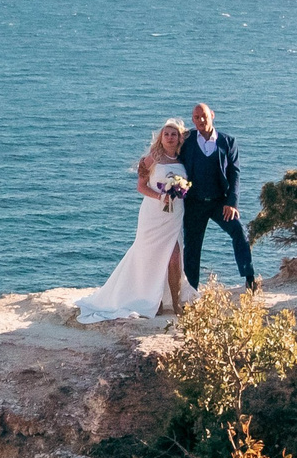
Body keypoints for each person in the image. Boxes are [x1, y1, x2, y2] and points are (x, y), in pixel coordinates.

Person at [75, 121, 194, 322]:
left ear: (179, 138)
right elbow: (141, 187)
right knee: (149, 257)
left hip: (174, 216)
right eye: (166, 134)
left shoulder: (183, 160)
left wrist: (180, 190)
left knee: (174, 257)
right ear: (161, 137)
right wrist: (160, 197)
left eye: (174, 134)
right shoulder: (151, 159)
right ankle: (150, 301)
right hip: (153, 214)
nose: (170, 137)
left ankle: (175, 302)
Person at [177, 101, 258, 290]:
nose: (201, 120)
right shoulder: (186, 140)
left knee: (239, 232)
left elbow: (234, 173)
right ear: (192, 119)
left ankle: (250, 278)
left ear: (212, 115)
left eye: (204, 115)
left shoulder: (227, 142)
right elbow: (169, 153)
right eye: (196, 117)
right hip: (194, 204)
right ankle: (192, 291)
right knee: (192, 248)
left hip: (220, 202)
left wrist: (232, 203)